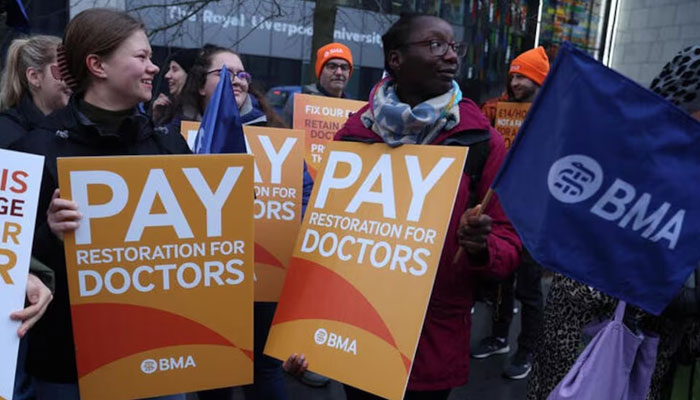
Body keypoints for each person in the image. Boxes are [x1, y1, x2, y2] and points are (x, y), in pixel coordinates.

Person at [285, 13, 522, 399]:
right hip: (357, 337)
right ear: (395, 59)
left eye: (453, 47)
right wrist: (305, 334)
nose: (451, 57)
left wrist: (481, 247)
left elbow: (509, 245)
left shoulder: (480, 142)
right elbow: (324, 240)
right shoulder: (353, 136)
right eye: (435, 45)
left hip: (428, 347)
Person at [13, 8, 190, 400]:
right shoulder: (35, 151)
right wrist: (48, 234)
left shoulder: (170, 147)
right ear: (97, 65)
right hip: (68, 367)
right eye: (141, 57)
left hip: (160, 358)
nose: (153, 67)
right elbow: (9, 261)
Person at [526, 45, 700, 400]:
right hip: (591, 343)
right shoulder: (624, 165)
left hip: (660, 351)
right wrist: (677, 297)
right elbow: (583, 266)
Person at [174, 44, 303, 400]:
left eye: (242, 74)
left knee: (263, 367)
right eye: (225, 73)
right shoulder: (174, 137)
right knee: (212, 369)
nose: (238, 81)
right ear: (201, 85)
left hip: (262, 273)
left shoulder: (275, 138)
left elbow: (302, 194)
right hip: (202, 277)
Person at [471, 46, 550, 380]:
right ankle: (499, 336)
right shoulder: (496, 110)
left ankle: (527, 349)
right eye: (513, 75)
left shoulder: (551, 115)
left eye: (523, 76)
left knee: (530, 289)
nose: (515, 81)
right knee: (501, 279)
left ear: (538, 79)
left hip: (537, 214)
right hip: (505, 207)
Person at [0, 34, 69, 400]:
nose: (70, 78)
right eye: (62, 69)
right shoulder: (9, 136)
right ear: (34, 76)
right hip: (13, 303)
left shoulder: (64, 133)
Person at [281, 42, 353, 126]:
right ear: (320, 71)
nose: (339, 72)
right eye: (332, 67)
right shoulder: (298, 102)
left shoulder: (353, 111)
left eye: (344, 68)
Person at [151, 48, 197, 124]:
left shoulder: (209, 115)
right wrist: (156, 118)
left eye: (174, 70)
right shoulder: (169, 111)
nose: (167, 75)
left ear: (191, 75)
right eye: (169, 69)